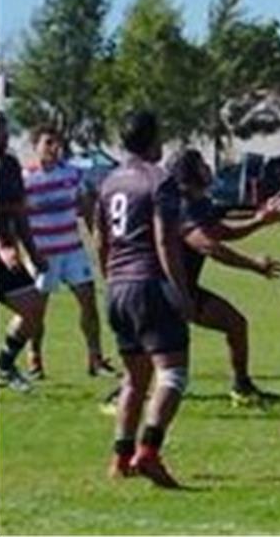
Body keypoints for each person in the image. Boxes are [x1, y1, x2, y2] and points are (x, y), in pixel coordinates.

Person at [95, 111, 193, 488]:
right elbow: (165, 239)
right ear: (155, 139)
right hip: (149, 283)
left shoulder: (108, 181)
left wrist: (111, 278)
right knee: (173, 373)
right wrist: (180, 291)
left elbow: (101, 238)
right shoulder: (159, 180)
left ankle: (120, 457)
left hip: (118, 285)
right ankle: (149, 452)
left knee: (134, 378)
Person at [172, 149, 280, 404]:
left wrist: (261, 217)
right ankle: (123, 395)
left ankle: (242, 386)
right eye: (202, 164)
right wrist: (253, 264)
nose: (208, 168)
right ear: (190, 173)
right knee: (157, 359)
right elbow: (209, 245)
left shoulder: (200, 203)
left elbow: (222, 228)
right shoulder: (180, 205)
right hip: (165, 292)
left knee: (236, 324)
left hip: (186, 289)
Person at [21, 125, 114, 379]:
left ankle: (95, 359)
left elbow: (86, 207)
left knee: (88, 303)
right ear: (35, 146)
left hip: (72, 250)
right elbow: (16, 217)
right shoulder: (25, 177)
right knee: (36, 311)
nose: (55, 148)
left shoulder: (71, 174)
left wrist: (96, 235)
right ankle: (35, 360)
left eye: (58, 143)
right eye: (49, 143)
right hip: (42, 254)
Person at [0, 112, 47, 393]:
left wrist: (33, 252)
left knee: (33, 308)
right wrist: (2, 247)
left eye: (5, 129)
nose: (5, 136)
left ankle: (4, 364)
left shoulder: (9, 165)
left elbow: (19, 213)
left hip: (6, 255)